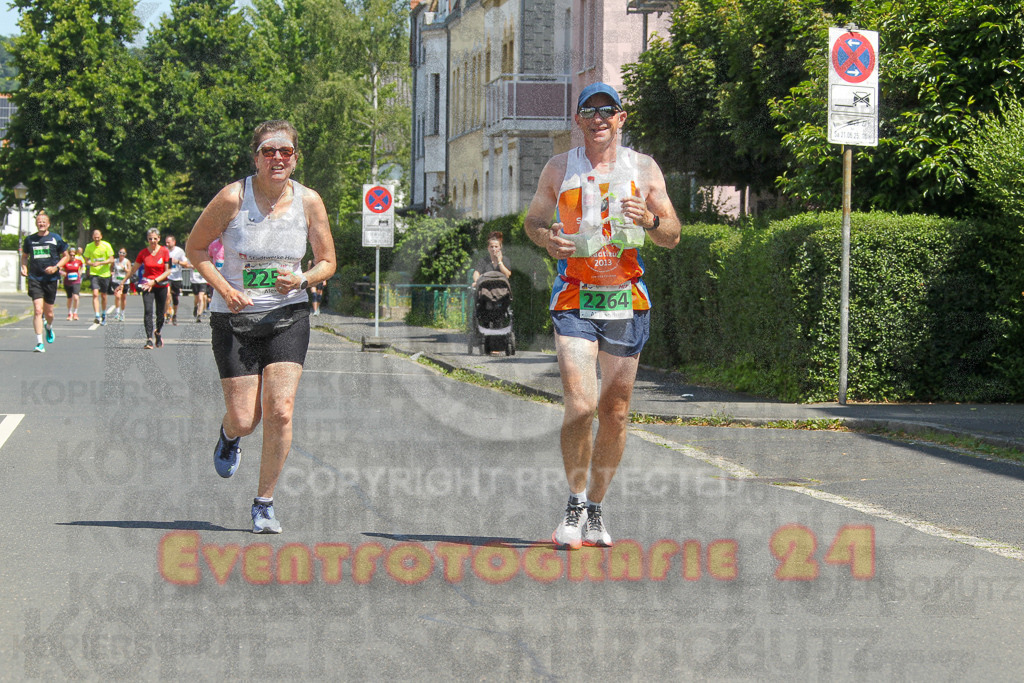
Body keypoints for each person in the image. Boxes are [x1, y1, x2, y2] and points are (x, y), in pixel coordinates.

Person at [524, 82, 681, 549]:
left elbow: (673, 234)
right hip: (575, 297)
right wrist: (547, 239)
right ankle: (574, 504)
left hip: (625, 300)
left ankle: (595, 508)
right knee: (581, 405)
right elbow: (533, 221)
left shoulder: (644, 169)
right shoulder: (559, 168)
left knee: (615, 413)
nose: (598, 119)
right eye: (589, 112)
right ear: (578, 120)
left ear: (620, 118)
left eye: (606, 111)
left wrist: (651, 221)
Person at [185, 119, 336, 534]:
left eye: (285, 151)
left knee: (280, 411)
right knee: (244, 419)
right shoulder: (232, 198)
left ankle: (264, 504)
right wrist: (225, 289)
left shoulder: (309, 201)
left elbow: (327, 261)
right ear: (256, 158)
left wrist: (302, 280)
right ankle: (229, 434)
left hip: (288, 316)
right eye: (269, 151)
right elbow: (195, 248)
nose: (277, 158)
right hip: (235, 318)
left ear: (295, 158)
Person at [20, 211, 69, 352]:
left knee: (49, 313)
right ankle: (39, 343)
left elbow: (65, 256)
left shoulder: (55, 238)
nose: (41, 224)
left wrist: (56, 268)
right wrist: (24, 267)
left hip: (50, 279)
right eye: (39, 222)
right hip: (35, 278)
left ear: (48, 224)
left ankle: (48, 326)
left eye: (43, 222)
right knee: (38, 310)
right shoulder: (30, 240)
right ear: (36, 224)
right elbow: (25, 256)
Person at [127, 228, 171, 349]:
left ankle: (158, 332)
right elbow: (133, 269)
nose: (152, 241)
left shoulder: (165, 251)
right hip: (147, 285)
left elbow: (168, 271)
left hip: (161, 285)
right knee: (148, 311)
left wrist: (155, 281)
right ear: (147, 239)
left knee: (160, 313)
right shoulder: (143, 253)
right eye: (150, 238)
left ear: (159, 238)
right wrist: (122, 282)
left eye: (155, 238)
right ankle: (149, 339)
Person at [83, 228, 115, 325]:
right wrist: (92, 264)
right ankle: (97, 315)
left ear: (101, 237)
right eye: (95, 237)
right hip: (94, 273)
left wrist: (100, 263)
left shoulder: (106, 245)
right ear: (92, 237)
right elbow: (86, 260)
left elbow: (111, 259)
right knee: (95, 294)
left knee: (103, 295)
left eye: (98, 237)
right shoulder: (89, 246)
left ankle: (103, 314)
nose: (96, 239)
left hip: (105, 274)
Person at [164, 234, 190, 325]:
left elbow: (186, 263)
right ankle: (167, 314)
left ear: (174, 242)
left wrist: (177, 261)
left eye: (169, 242)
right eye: (166, 242)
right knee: (167, 295)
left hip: (177, 277)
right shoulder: (164, 250)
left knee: (175, 298)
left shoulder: (179, 251)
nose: (167, 244)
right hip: (167, 276)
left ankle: (175, 315)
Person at [62, 245, 85, 321]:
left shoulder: (78, 261)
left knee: (76, 297)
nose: (72, 257)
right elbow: (59, 269)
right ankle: (69, 313)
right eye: (71, 255)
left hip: (76, 281)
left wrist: (80, 273)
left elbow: (82, 266)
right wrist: (63, 273)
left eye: (73, 255)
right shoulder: (65, 262)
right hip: (67, 282)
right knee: (69, 298)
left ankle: (75, 313)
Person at [111, 248, 132, 321]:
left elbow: (129, 271)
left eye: (123, 253)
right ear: (118, 253)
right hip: (116, 281)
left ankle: (122, 313)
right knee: (117, 296)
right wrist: (111, 273)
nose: (121, 254)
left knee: (123, 298)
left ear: (125, 254)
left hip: (125, 281)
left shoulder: (127, 261)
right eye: (120, 252)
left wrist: (124, 268)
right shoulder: (115, 261)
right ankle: (117, 313)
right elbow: (111, 268)